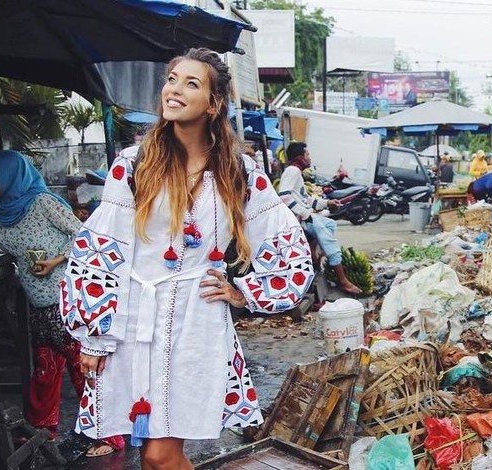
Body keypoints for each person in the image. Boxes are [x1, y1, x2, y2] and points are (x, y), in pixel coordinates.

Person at [59, 48, 314, 469]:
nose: (174, 90)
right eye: (172, 79)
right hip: (132, 320)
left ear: (214, 103)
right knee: (148, 452)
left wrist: (242, 291)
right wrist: (94, 333)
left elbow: (286, 244)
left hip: (195, 325)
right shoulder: (134, 164)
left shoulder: (239, 170)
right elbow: (103, 250)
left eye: (190, 83)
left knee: (162, 455)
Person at [0, 150, 125, 458]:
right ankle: (43, 429)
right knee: (46, 370)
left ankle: (110, 434)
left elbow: (86, 234)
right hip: (39, 302)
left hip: (68, 297)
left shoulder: (42, 203)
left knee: (83, 368)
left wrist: (56, 260)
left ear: (10, 175)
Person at [278, 142, 363, 295]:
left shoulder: (296, 172)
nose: (309, 158)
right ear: (299, 158)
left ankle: (314, 255)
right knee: (331, 245)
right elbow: (283, 197)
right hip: (302, 219)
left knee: (329, 225)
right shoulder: (292, 171)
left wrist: (327, 203)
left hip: (306, 216)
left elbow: (306, 199)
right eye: (307, 155)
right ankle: (343, 281)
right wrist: (305, 214)